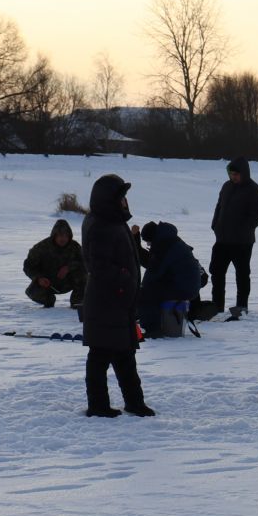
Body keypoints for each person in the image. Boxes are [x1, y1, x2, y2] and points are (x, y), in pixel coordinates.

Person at [78, 174, 155, 417]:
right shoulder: (100, 224)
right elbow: (98, 265)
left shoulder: (113, 220)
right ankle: (98, 406)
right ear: (108, 199)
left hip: (119, 302)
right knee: (100, 355)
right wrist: (123, 278)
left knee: (125, 354)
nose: (125, 202)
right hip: (106, 302)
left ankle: (134, 402)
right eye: (121, 197)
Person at [208, 157, 258, 319]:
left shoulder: (254, 190)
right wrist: (215, 225)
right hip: (222, 240)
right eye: (231, 174)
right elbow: (218, 207)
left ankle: (241, 307)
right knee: (217, 273)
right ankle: (217, 306)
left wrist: (242, 229)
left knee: (242, 274)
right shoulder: (226, 186)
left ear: (244, 173)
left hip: (242, 242)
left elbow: (257, 216)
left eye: (236, 174)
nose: (233, 177)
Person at [136, 221, 208, 338]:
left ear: (153, 238)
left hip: (185, 287)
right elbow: (154, 266)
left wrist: (141, 290)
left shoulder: (164, 246)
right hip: (188, 284)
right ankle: (156, 321)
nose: (149, 246)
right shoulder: (170, 240)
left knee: (146, 294)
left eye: (148, 243)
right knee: (152, 291)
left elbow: (153, 272)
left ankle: (152, 329)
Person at [23, 218, 84, 308]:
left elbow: (86, 262)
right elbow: (28, 266)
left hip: (69, 281)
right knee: (32, 292)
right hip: (48, 283)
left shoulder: (75, 247)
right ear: (54, 235)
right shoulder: (41, 247)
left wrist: (69, 267)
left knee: (85, 276)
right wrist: (39, 278)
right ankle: (49, 300)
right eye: (60, 235)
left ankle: (77, 302)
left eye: (65, 235)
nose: (63, 238)